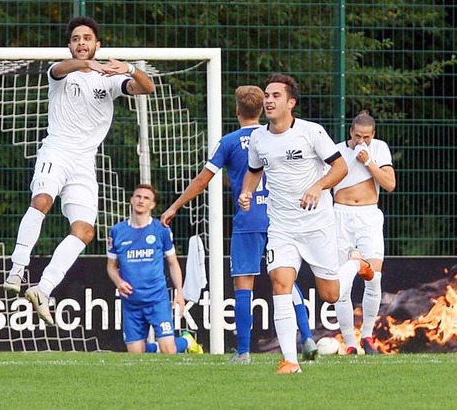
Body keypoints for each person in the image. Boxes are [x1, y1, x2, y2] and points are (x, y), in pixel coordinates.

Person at [2, 16, 156, 326]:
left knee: (85, 230)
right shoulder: (61, 72)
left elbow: (147, 87)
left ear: (98, 45)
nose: (81, 42)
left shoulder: (110, 79)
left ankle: (43, 289)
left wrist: (126, 69)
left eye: (87, 38)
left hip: (85, 163)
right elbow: (60, 69)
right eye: (76, 39)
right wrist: (85, 66)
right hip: (57, 152)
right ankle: (17, 268)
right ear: (70, 45)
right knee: (42, 200)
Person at [160, 85, 317, 363]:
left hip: (248, 220)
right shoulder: (274, 137)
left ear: (236, 111)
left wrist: (174, 206)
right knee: (285, 279)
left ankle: (243, 352)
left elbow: (202, 181)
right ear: (262, 109)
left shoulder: (230, 141)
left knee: (244, 284)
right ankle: (306, 337)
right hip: (279, 218)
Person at [238, 73, 373, 374]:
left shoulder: (311, 132)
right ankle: (290, 360)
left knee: (331, 295)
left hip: (317, 225)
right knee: (280, 283)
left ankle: (354, 263)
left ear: (291, 102)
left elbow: (339, 167)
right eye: (267, 96)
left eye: (275, 96)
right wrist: (247, 191)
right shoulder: (258, 138)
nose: (269, 100)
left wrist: (319, 186)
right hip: (282, 227)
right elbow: (254, 170)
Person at [107, 184, 203, 354]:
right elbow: (111, 266)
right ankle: (161, 346)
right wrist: (118, 281)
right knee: (136, 355)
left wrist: (179, 293)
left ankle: (186, 341)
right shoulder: (117, 231)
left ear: (152, 205)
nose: (141, 201)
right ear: (131, 200)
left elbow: (173, 263)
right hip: (131, 302)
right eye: (138, 196)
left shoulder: (161, 231)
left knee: (169, 350)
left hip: (156, 299)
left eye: (146, 198)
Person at [332, 111, 396, 355]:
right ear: (350, 133)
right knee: (342, 284)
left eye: (366, 137)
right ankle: (349, 342)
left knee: (374, 277)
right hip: (341, 216)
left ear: (373, 135)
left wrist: (368, 161)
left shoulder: (379, 149)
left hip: (369, 216)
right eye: (357, 136)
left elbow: (390, 184)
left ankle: (367, 336)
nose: (361, 141)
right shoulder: (336, 151)